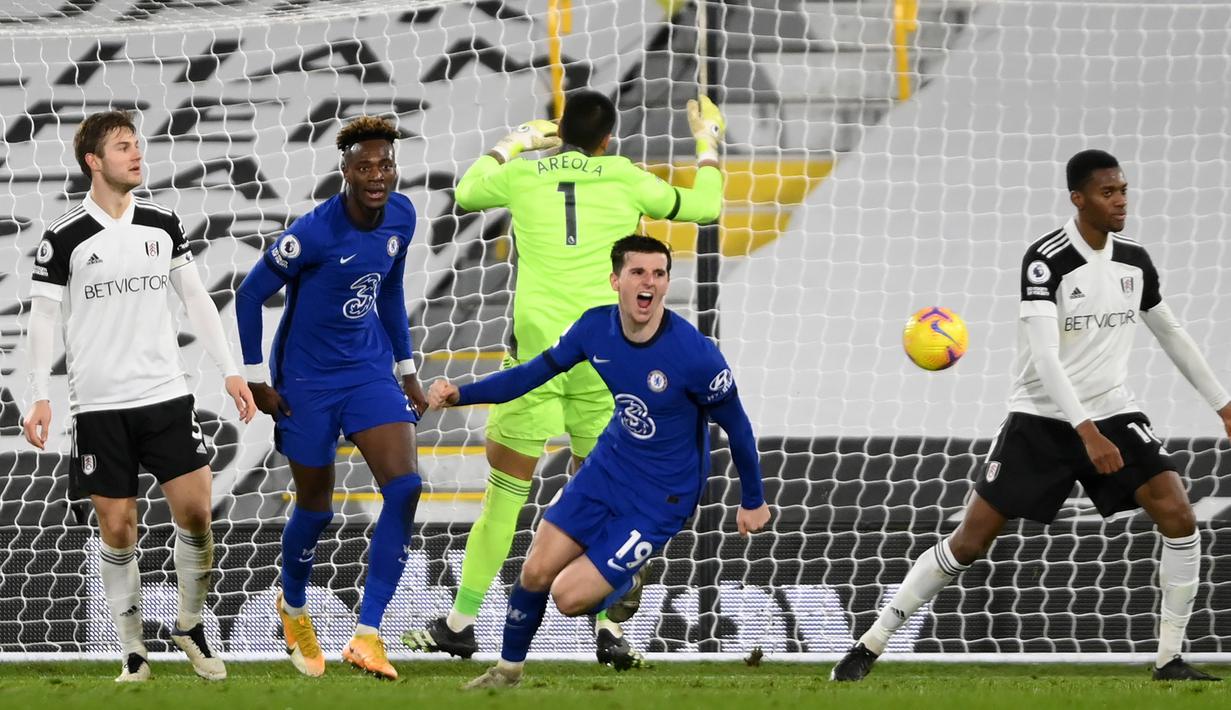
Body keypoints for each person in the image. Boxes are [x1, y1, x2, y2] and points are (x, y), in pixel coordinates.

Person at [832, 150, 1231, 683]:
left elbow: (1171, 332)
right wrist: (1085, 433)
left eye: (1123, 191)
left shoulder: (1134, 260)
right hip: (1041, 417)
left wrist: (1223, 405)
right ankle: (870, 642)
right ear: (1078, 198)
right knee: (969, 543)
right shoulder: (1046, 259)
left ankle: (1169, 659)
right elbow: (1044, 359)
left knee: (1179, 517)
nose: (1120, 201)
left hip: (1112, 408)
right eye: (1108, 192)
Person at [402, 90, 728, 668]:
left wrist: (516, 143)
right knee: (602, 494)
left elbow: (467, 189)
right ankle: (607, 630)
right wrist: (707, 143)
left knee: (505, 492)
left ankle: (461, 623)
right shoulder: (627, 177)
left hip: (535, 359)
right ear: (609, 137)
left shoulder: (525, 175)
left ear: (561, 130)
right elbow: (705, 207)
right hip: (606, 360)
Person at [424, 236, 770, 688]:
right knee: (534, 571)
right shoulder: (594, 329)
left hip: (661, 497)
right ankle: (507, 673)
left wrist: (753, 499)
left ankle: (624, 583)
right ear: (616, 280)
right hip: (608, 468)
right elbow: (531, 375)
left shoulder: (695, 354)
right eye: (638, 273)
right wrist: (461, 395)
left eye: (659, 274)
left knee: (568, 598)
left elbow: (738, 428)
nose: (650, 283)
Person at [22, 110, 255, 682]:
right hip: (99, 406)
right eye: (123, 146)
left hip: (165, 396)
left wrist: (230, 370)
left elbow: (197, 299)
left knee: (197, 513)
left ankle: (192, 625)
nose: (137, 154)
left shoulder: (162, 223)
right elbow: (42, 320)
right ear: (93, 162)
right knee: (119, 527)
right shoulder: (64, 237)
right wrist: (38, 396)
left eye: (138, 145)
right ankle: (133, 650)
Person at [234, 115, 427, 681]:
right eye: (364, 166)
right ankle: (292, 608)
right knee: (316, 508)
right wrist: (254, 379)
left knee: (407, 486)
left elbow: (388, 288)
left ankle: (367, 636)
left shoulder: (403, 216)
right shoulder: (313, 233)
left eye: (385, 165)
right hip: (308, 383)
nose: (377, 176)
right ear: (344, 171)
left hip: (367, 372)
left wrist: (406, 368)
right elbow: (249, 296)